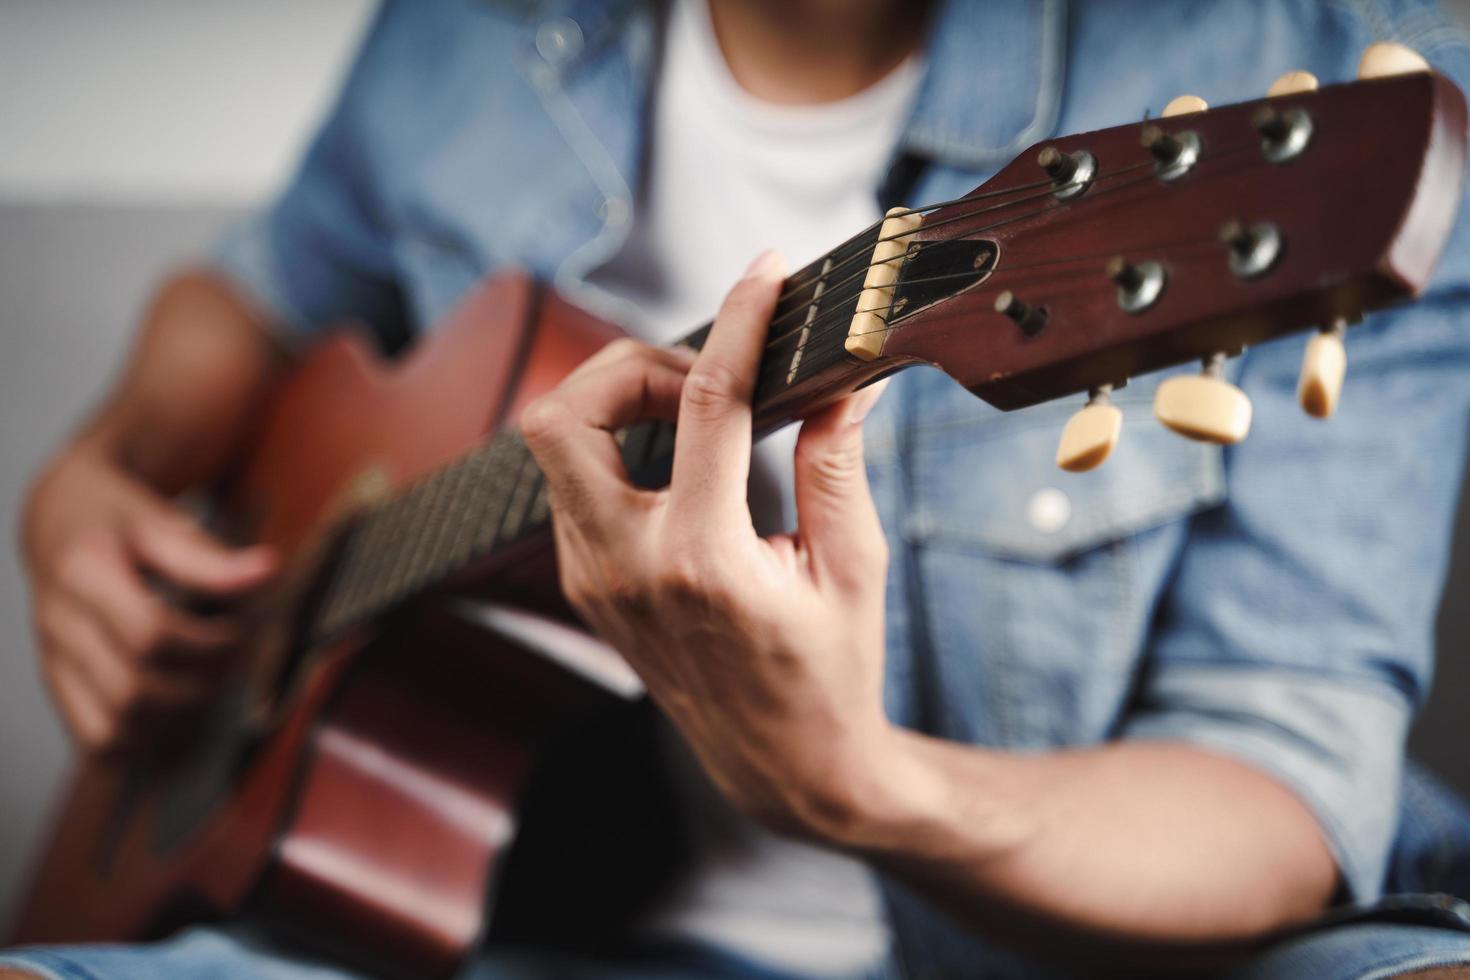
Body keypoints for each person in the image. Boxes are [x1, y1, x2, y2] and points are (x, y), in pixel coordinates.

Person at [7, 0, 1470, 977]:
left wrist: (862, 788)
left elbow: (1285, 799)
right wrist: (95, 473)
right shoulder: (462, 37)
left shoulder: (1320, 64)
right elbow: (258, 294)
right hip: (492, 931)